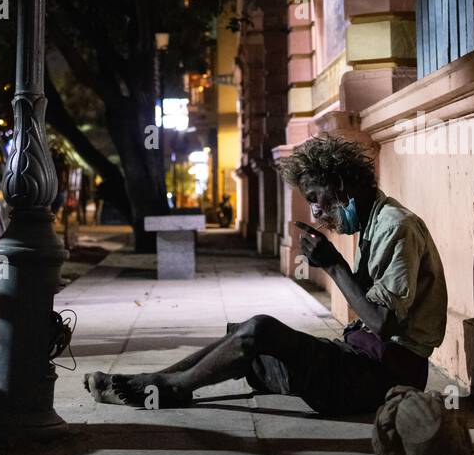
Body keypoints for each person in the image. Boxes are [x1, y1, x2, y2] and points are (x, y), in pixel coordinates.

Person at [84, 133, 447, 415]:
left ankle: (175, 388)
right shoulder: (370, 226)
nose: (316, 208)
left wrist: (333, 264)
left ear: (340, 182)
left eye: (316, 195)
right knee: (241, 338)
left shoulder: (395, 227)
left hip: (386, 376)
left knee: (260, 329)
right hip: (356, 361)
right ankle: (159, 380)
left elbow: (384, 324)